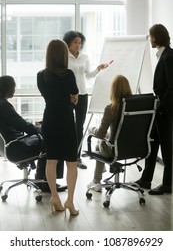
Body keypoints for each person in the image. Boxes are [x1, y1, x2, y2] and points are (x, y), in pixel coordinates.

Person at [0, 75, 67, 193]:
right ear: (9, 89)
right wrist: (44, 129)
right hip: (16, 146)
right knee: (55, 141)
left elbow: (19, 124)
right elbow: (24, 126)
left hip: (8, 146)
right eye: (14, 88)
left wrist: (38, 127)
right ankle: (46, 182)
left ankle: (42, 179)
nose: (14, 91)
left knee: (47, 140)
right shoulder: (4, 106)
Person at [37, 39, 79, 215]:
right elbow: (74, 96)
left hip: (49, 121)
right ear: (63, 55)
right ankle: (69, 200)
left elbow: (49, 96)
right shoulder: (68, 74)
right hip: (66, 121)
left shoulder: (41, 75)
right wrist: (71, 99)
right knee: (71, 162)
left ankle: (54, 196)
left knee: (51, 160)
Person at [135, 24, 173, 195]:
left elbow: (172, 88)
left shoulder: (169, 56)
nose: (149, 39)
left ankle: (168, 184)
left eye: (150, 36)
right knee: (153, 143)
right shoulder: (163, 55)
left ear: (156, 38)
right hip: (160, 110)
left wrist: (162, 108)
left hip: (165, 111)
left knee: (167, 148)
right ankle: (145, 180)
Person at [63, 30, 107, 169]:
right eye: (75, 42)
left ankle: (77, 156)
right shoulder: (64, 57)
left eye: (80, 43)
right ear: (68, 43)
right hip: (68, 96)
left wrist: (98, 69)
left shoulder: (84, 57)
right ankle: (66, 155)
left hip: (82, 94)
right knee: (67, 125)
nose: (78, 45)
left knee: (79, 126)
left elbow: (88, 75)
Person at [87, 75, 132, 191]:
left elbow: (99, 134)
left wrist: (90, 129)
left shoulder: (111, 108)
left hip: (115, 150)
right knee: (104, 140)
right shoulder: (135, 107)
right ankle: (98, 177)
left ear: (113, 90)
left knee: (98, 143)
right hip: (133, 149)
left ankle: (96, 181)